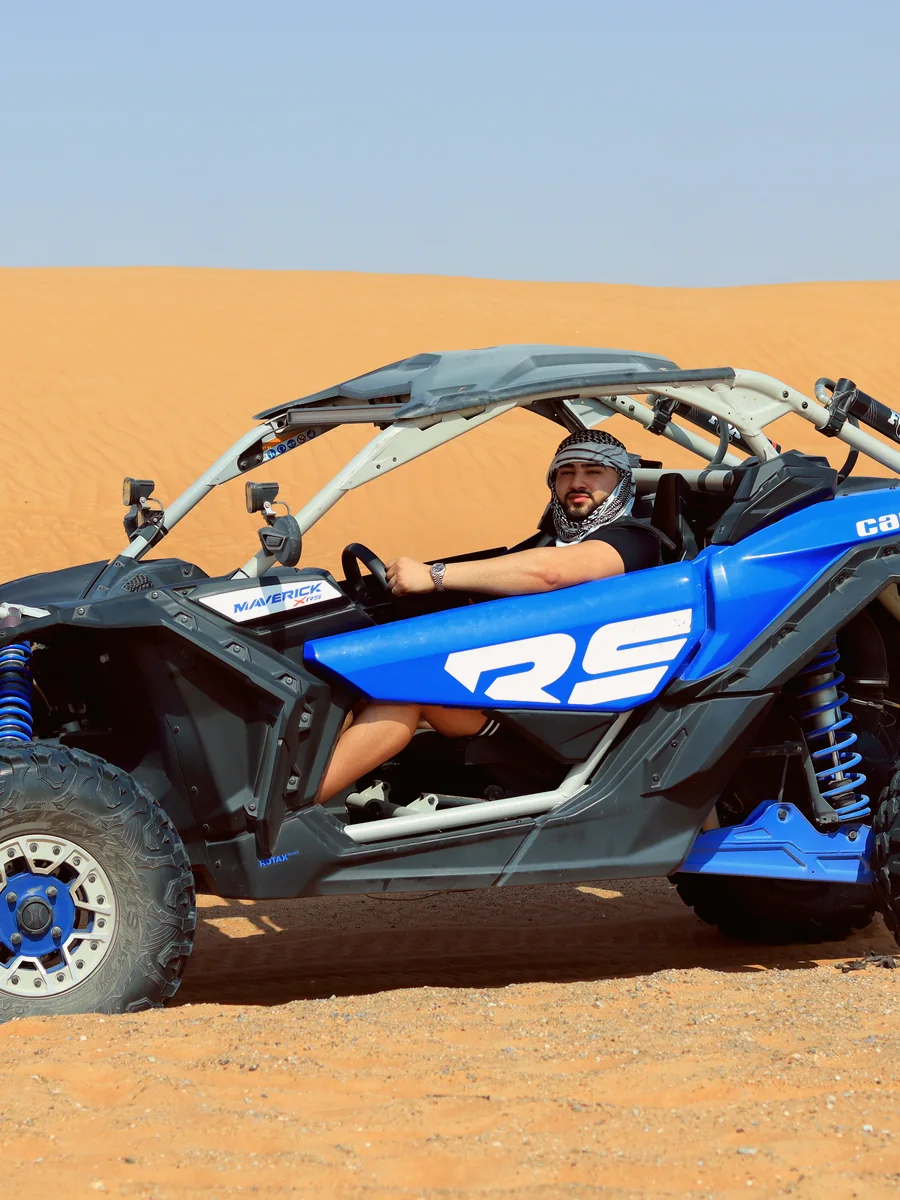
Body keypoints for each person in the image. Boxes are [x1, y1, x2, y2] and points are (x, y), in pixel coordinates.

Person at [315, 429, 659, 805]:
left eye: (593, 471)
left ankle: (289, 813)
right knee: (354, 685)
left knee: (400, 695)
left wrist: (435, 575)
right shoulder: (548, 543)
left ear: (621, 480)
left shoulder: (634, 539)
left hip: (556, 717)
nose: (577, 482)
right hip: (505, 686)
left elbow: (551, 572)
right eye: (566, 472)